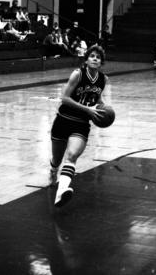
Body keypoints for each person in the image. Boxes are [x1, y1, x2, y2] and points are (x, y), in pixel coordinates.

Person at [50, 44, 108, 207]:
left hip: (81, 123)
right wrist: (87, 109)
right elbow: (65, 98)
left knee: (72, 156)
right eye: (92, 56)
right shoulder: (78, 74)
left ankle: (61, 193)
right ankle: (53, 171)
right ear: (87, 59)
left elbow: (97, 99)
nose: (95, 59)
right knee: (57, 159)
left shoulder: (104, 79)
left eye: (98, 57)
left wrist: (103, 110)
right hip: (64, 119)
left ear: (101, 61)